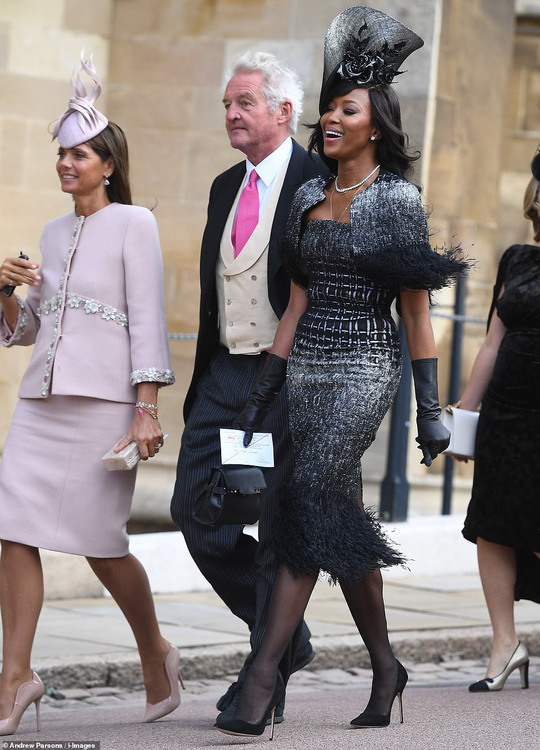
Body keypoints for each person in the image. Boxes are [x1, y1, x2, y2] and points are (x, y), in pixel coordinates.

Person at [216, 6, 468, 739]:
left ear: (376, 126)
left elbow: (415, 311)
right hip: (307, 369)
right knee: (339, 514)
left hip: (364, 366)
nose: (330, 118)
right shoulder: (306, 197)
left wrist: (430, 408)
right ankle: (387, 667)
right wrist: (263, 390)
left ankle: (262, 674)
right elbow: (295, 305)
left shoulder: (396, 201)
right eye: (328, 107)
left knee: (303, 502)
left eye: (347, 109)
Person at [0, 55, 181, 736]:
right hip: (41, 406)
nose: (65, 163)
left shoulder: (135, 223)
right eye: (62, 153)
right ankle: (15, 676)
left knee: (102, 545)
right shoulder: (51, 232)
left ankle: (154, 650)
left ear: (108, 164)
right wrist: (4, 287)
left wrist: (145, 409)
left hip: (106, 407)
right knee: (12, 532)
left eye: (79, 154)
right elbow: (24, 331)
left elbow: (148, 320)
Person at [170, 52, 326, 721]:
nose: (231, 114)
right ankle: (289, 638)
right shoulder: (221, 186)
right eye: (227, 105)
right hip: (225, 373)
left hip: (291, 378)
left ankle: (263, 679)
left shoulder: (320, 182)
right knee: (195, 512)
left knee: (276, 523)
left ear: (284, 111)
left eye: (245, 103)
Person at [458, 167, 540, 693]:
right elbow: (492, 342)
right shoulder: (517, 259)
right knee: (493, 525)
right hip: (505, 417)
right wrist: (466, 414)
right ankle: (505, 644)